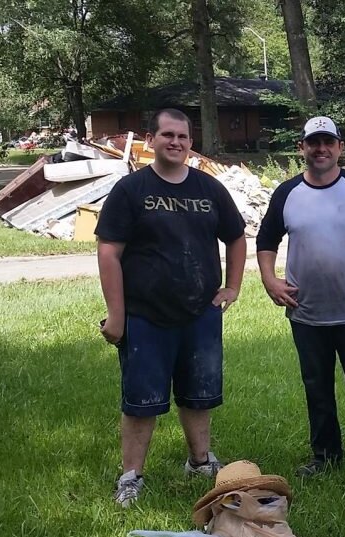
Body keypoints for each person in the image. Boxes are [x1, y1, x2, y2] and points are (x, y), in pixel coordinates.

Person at [96, 108, 248, 507]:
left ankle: (200, 462)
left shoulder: (209, 189)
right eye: (167, 135)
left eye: (182, 136)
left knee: (199, 395)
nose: (175, 142)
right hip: (144, 315)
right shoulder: (131, 190)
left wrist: (232, 286)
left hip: (200, 313)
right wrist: (117, 314)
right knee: (141, 400)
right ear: (151, 140)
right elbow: (109, 252)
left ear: (190, 143)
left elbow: (236, 237)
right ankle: (131, 476)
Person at [256, 116, 345, 481]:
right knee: (317, 389)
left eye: (328, 142)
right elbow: (265, 241)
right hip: (306, 314)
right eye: (313, 143)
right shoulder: (287, 193)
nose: (321, 149)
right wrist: (270, 280)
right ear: (302, 147)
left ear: (340, 148)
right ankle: (325, 455)